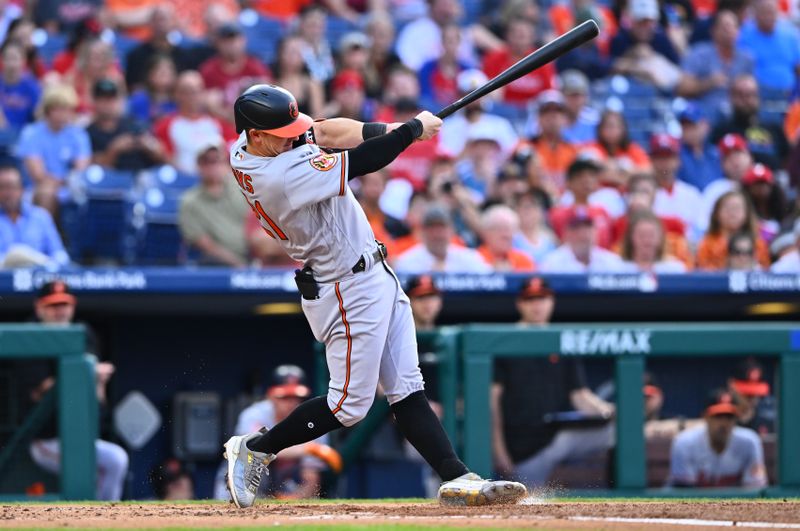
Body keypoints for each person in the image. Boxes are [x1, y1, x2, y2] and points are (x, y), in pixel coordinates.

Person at [222, 84, 526, 508]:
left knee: (407, 387)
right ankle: (258, 448)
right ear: (256, 135)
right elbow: (365, 161)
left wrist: (392, 126)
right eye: (283, 131)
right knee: (348, 406)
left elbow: (325, 132)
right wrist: (411, 132)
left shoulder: (255, 145)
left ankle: (459, 479)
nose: (294, 135)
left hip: (373, 271)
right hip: (344, 286)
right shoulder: (278, 175)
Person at [492, 277, 615, 488]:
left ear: (552, 302)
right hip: (523, 448)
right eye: (530, 300)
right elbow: (491, 404)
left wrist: (608, 410)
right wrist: (499, 452)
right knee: (525, 508)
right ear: (520, 304)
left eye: (542, 299)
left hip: (557, 436)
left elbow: (580, 396)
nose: (537, 305)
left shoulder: (562, 341)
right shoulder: (505, 341)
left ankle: (619, 488)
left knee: (621, 428)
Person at [19, 280, 129, 500]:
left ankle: (108, 520)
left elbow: (98, 400)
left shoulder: (83, 335)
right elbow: (40, 390)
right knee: (87, 469)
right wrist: (88, 374)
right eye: (53, 305)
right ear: (39, 307)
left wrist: (98, 382)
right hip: (46, 440)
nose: (60, 311)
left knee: (116, 459)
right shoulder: (30, 336)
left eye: (64, 304)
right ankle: (87, 519)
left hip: (80, 436)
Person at [216, 365, 341, 500]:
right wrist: (308, 449)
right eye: (284, 397)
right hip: (242, 480)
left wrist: (294, 499)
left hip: (282, 484)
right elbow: (252, 452)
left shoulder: (311, 420)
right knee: (252, 462)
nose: (291, 403)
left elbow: (311, 476)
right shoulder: (254, 415)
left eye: (296, 397)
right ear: (271, 396)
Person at [17, 83, 91, 217]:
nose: (66, 114)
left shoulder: (78, 134)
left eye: (69, 109)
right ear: (48, 110)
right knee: (46, 193)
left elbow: (81, 170)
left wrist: (68, 182)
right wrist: (65, 181)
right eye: (60, 109)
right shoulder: (31, 133)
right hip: (36, 189)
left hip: (71, 189)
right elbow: (38, 175)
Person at [668, 388, 767, 488]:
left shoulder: (749, 442)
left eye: (729, 417)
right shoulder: (686, 443)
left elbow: (755, 490)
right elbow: (684, 495)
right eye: (718, 416)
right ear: (705, 417)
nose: (724, 423)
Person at [178, 140, 249, 267]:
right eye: (206, 161)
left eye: (216, 160)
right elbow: (206, 245)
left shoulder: (243, 189)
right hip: (220, 263)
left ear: (226, 163)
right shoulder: (189, 201)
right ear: (198, 166)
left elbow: (258, 226)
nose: (212, 166)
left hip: (255, 254)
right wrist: (242, 266)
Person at [153, 70, 236, 175]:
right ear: (177, 94)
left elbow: (237, 155)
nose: (194, 97)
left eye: (198, 91)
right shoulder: (165, 126)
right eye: (188, 92)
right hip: (183, 182)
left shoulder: (219, 124)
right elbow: (167, 160)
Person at [676, 10, 754, 118]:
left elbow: (754, 93)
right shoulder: (699, 53)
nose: (730, 31)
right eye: (725, 27)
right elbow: (682, 89)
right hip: (702, 115)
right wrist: (708, 83)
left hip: (736, 117)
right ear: (713, 31)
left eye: (734, 27)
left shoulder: (746, 58)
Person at [710, 75, 789, 171]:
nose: (746, 100)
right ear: (731, 97)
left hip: (774, 180)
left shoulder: (773, 127)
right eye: (740, 95)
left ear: (758, 97)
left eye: (751, 94)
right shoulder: (722, 130)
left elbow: (787, 157)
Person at [86, 79, 166, 171]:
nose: (107, 104)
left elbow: (162, 160)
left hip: (143, 177)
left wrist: (150, 147)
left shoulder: (136, 125)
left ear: (120, 101)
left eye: (111, 98)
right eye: (102, 99)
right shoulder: (89, 133)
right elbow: (94, 172)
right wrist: (114, 149)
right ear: (94, 101)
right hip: (111, 181)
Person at [0, 165, 69, 268]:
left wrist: (48, 263)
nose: (8, 193)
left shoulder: (41, 217)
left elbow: (59, 254)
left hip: (38, 276)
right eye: (3, 188)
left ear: (21, 190)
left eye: (12, 187)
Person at [394, 204, 491, 273]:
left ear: (452, 230)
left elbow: (490, 282)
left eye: (441, 227)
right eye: (431, 228)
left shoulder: (470, 258)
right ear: (422, 232)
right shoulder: (407, 262)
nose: (437, 234)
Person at [482, 18, 555, 106]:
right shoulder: (495, 58)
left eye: (523, 36)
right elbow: (484, 87)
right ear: (508, 36)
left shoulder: (540, 59)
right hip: (503, 108)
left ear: (532, 38)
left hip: (533, 110)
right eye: (516, 35)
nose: (519, 41)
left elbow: (548, 93)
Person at [649, 133, 704, 239]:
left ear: (678, 161)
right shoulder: (644, 194)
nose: (664, 163)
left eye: (669, 157)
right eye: (660, 157)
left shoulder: (692, 194)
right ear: (651, 160)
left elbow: (699, 231)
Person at [736, 0, 800, 92]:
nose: (767, 16)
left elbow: (797, 65)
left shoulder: (790, 34)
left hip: (788, 93)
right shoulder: (743, 34)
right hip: (754, 95)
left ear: (777, 13)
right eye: (764, 12)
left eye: (771, 12)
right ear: (755, 14)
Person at [549, 159, 614, 249]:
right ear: (569, 183)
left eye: (591, 175)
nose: (587, 180)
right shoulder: (558, 215)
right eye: (580, 176)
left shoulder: (602, 212)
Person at [697, 191, 771, 270]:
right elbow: (703, 271)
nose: (732, 212)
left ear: (747, 213)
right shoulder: (707, 244)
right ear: (716, 213)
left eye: (737, 208)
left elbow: (765, 270)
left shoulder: (758, 243)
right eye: (727, 208)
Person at [540, 208, 626, 272]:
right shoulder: (551, 264)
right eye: (576, 229)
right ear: (566, 233)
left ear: (596, 232)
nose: (582, 234)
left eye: (587, 228)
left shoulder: (612, 262)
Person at [619, 211, 687, 273]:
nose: (646, 241)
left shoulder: (674, 270)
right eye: (641, 235)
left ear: (660, 237)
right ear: (630, 237)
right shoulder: (618, 268)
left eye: (651, 235)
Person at [676, 105, 724, 192]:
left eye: (693, 126)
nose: (689, 131)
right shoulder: (676, 154)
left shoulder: (715, 154)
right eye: (685, 127)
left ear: (706, 126)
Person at [477, 205, 536, 272]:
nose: (507, 235)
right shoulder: (475, 259)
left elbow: (535, 281)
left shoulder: (523, 260)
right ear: (486, 232)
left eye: (511, 229)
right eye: (500, 229)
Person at [728, 358, 776, 434]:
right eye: (747, 395)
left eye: (756, 372)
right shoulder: (726, 404)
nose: (752, 398)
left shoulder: (768, 407)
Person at [741, 164, 786, 243]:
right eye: (756, 184)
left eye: (764, 183)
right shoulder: (743, 213)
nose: (761, 188)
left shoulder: (783, 209)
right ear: (748, 188)